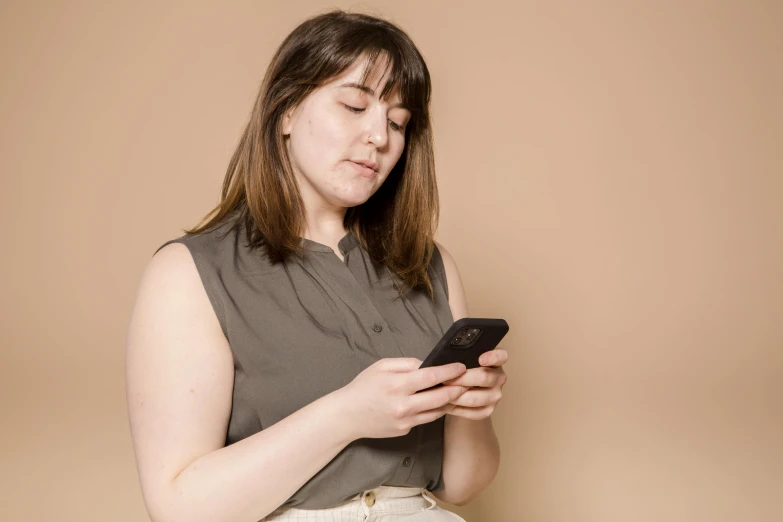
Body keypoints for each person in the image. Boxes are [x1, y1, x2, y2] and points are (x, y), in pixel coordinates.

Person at [125, 9, 508, 522]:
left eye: (397, 122)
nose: (380, 137)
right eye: (354, 106)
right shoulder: (189, 273)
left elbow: (462, 485)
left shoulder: (431, 265)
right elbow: (177, 508)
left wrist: (471, 411)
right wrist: (348, 413)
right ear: (285, 111)